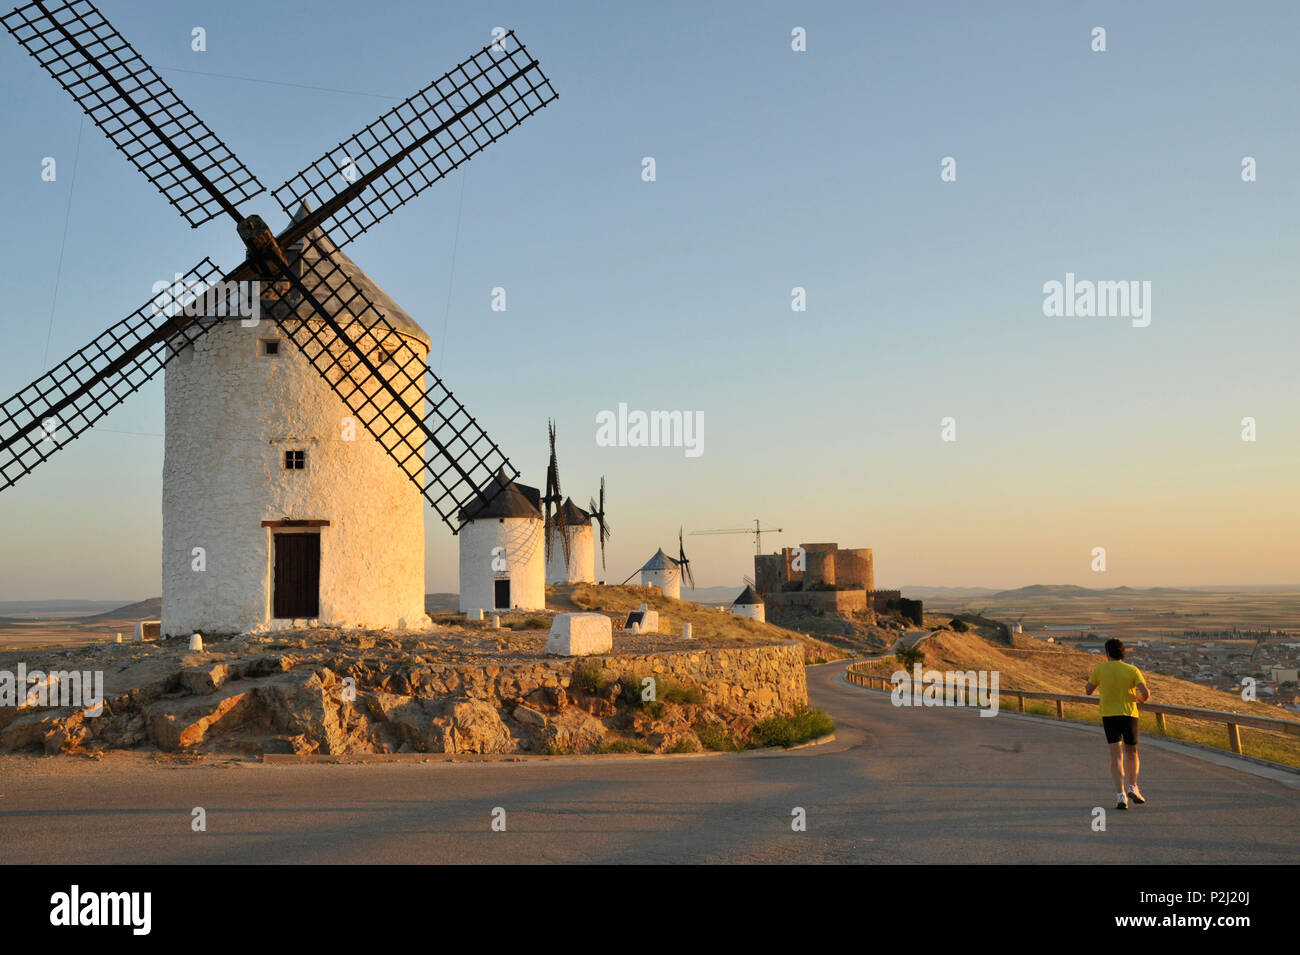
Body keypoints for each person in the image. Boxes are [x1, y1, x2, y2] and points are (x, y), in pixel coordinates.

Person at [1085, 638, 1150, 810]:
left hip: (1109, 715)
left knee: (1116, 757)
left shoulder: (1100, 668)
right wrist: (1139, 699)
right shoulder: (1132, 670)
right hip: (1129, 715)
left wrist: (1096, 683)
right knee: (1132, 753)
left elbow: (1088, 690)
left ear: (1107, 653)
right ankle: (1133, 787)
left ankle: (1121, 796)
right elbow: (1146, 693)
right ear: (1123, 653)